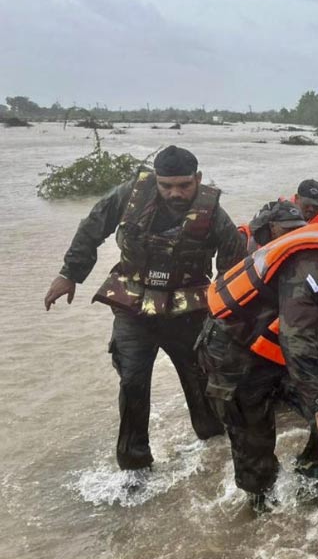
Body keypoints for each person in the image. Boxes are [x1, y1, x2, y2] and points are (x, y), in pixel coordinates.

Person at [43, 146, 245, 472]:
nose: (175, 193)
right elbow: (93, 226)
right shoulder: (130, 196)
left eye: (183, 185)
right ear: (156, 179)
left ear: (198, 179)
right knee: (132, 382)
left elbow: (234, 268)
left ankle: (214, 451)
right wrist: (70, 274)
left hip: (188, 312)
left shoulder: (213, 213)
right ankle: (134, 466)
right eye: (167, 186)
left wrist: (232, 322)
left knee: (203, 384)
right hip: (133, 308)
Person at [198, 211, 318, 509]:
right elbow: (297, 336)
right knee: (257, 453)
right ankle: (259, 511)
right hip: (235, 356)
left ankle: (309, 484)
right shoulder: (314, 264)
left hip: (279, 353)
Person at [237, 200, 307, 253]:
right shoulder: (244, 242)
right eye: (289, 228)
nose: (294, 234)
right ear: (272, 227)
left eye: (298, 228)